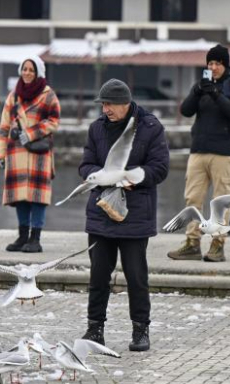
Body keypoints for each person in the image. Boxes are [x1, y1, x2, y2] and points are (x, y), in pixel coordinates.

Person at [79, 79, 169, 352]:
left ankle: (140, 331)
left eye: (109, 104)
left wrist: (134, 178)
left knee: (136, 277)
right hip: (101, 213)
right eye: (103, 104)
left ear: (125, 103)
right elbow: (85, 165)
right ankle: (95, 329)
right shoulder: (96, 129)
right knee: (98, 277)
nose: (105, 109)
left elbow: (160, 168)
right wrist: (102, 176)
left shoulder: (151, 127)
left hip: (135, 216)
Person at [168, 44, 230, 262]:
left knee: (221, 201)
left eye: (217, 63)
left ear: (225, 65)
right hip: (199, 150)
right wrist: (197, 91)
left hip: (223, 152)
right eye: (210, 63)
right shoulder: (202, 87)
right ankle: (192, 243)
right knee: (192, 198)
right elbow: (185, 110)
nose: (213, 67)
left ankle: (217, 245)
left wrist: (216, 94)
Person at [0, 55, 60, 253]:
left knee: (37, 196)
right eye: (24, 69)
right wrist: (0, 153)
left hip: (39, 152)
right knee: (21, 196)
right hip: (16, 152)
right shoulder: (13, 95)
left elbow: (54, 121)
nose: (27, 73)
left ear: (38, 72)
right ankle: (23, 236)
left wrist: (29, 134)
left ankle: (35, 238)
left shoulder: (48, 95)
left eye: (31, 70)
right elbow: (4, 126)